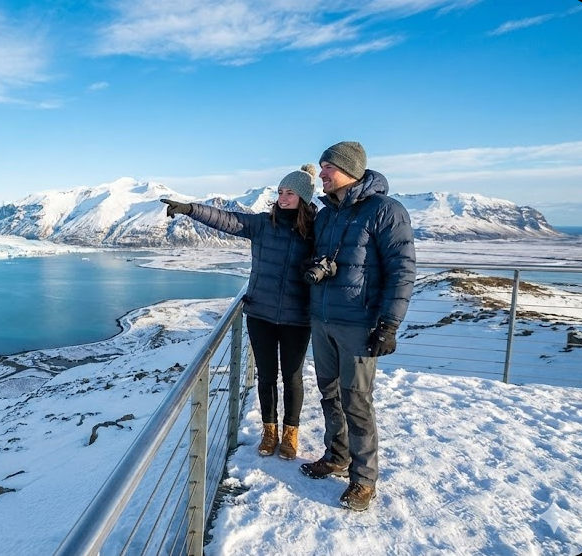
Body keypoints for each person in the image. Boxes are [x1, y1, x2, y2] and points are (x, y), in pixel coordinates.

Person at [161, 165, 318, 461]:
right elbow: (226, 219)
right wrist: (189, 209)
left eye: (291, 194)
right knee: (267, 375)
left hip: (298, 316)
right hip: (261, 313)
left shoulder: (316, 230)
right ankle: (269, 431)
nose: (283, 198)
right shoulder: (262, 223)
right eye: (281, 192)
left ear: (304, 199)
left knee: (293, 376)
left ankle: (290, 433)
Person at [298, 141, 416, 512]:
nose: (321, 174)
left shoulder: (385, 211)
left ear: (348, 170)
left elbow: (402, 269)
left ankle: (364, 480)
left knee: (357, 401)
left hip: (360, 324)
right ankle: (337, 456)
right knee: (329, 393)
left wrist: (389, 324)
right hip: (323, 319)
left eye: (326, 167)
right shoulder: (326, 214)